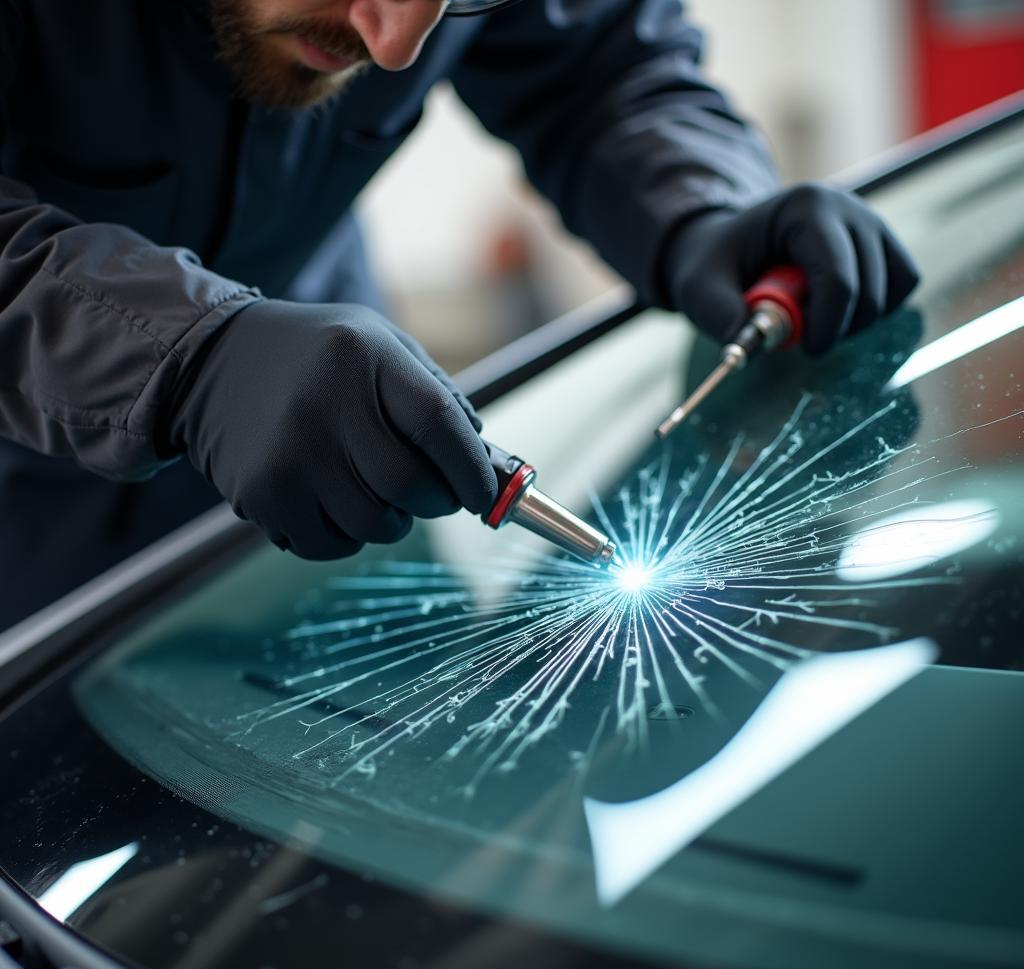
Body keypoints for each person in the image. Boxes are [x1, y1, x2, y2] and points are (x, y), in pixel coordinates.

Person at [0, 0, 919, 631]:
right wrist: (186, 357)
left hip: (337, 464)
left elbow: (600, 71)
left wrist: (703, 206)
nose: (398, 41)